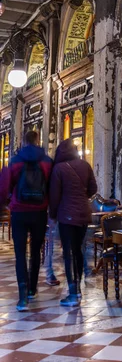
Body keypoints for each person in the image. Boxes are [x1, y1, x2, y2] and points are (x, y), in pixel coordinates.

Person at [0, 131, 52, 311]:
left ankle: (22, 296)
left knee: (20, 253)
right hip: (39, 212)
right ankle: (32, 289)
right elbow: (51, 186)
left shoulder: (15, 161)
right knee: (36, 252)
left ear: (23, 141)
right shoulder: (46, 161)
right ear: (38, 141)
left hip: (19, 212)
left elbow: (6, 186)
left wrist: (9, 202)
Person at [49, 139, 97, 306]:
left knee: (69, 253)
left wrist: (53, 215)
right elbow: (93, 189)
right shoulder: (85, 165)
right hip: (84, 214)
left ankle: (73, 292)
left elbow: (54, 196)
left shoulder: (59, 168)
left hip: (67, 216)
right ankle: (78, 290)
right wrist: (81, 198)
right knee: (78, 251)